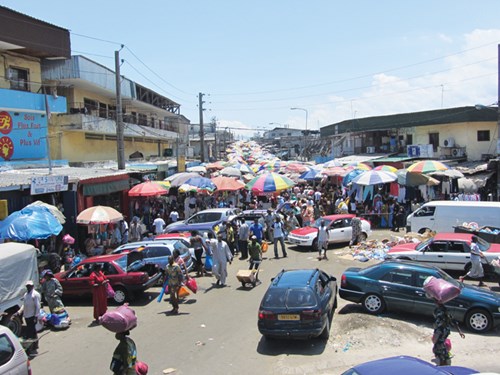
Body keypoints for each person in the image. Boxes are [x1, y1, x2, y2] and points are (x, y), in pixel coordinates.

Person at [15, 280, 41, 356]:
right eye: (27, 286)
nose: (28, 287)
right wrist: (19, 312)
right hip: (27, 316)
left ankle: (33, 349)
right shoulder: (26, 294)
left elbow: (37, 306)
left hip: (32, 316)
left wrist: (36, 316)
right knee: (32, 332)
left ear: (32, 286)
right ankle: (34, 346)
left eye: (29, 286)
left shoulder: (35, 294)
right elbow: (24, 305)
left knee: (31, 333)